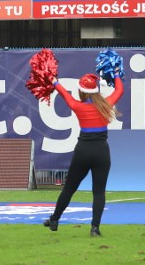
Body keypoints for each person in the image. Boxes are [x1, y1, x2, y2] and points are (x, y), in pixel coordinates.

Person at [44, 70, 123, 237]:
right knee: (99, 192)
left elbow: (64, 94)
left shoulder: (77, 106)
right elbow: (119, 91)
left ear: (81, 91)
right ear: (96, 91)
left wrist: (54, 81)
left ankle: (55, 220)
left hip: (83, 151)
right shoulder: (106, 104)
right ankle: (95, 228)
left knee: (69, 189)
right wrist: (116, 74)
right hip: (101, 151)